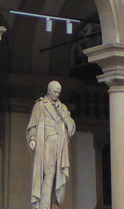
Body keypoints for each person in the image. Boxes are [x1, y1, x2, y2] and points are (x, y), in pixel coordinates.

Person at [26, 80, 75, 209]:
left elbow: (71, 128)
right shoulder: (41, 105)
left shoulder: (62, 107)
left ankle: (54, 203)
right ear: (49, 90)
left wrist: (62, 114)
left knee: (57, 176)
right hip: (46, 143)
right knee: (49, 173)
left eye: (59, 92)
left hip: (60, 145)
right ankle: (44, 205)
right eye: (55, 91)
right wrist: (32, 138)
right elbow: (33, 125)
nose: (57, 94)